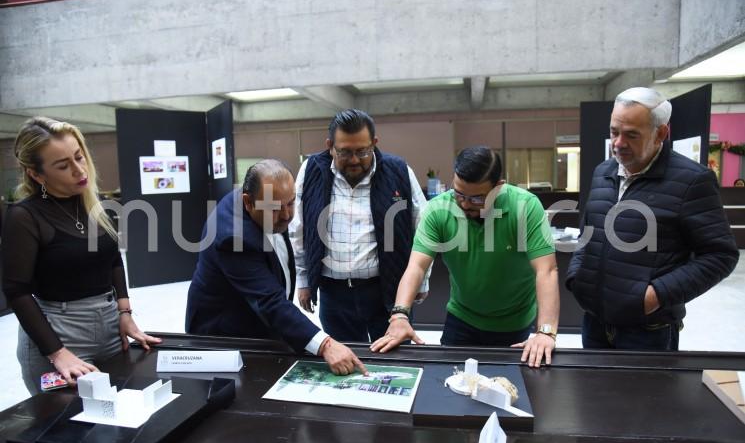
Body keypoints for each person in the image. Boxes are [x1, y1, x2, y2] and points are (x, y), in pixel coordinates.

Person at [566, 87, 739, 350]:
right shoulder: (603, 172)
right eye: (614, 132)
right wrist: (577, 276)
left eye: (631, 135)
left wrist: (655, 295)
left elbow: (720, 256)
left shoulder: (692, 181)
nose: (618, 143)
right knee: (592, 392)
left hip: (647, 331)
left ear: (661, 133)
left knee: (644, 394)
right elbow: (589, 232)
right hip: (594, 323)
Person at [2, 117, 161, 394]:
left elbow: (111, 258)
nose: (79, 170)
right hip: (58, 334)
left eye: (79, 157)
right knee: (65, 427)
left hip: (110, 327)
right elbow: (17, 291)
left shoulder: (92, 203)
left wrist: (124, 313)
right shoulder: (24, 216)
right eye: (63, 166)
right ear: (36, 174)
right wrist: (57, 352)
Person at [371, 146, 560, 368]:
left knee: (511, 390)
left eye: (477, 198)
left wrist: (546, 332)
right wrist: (400, 315)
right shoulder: (438, 210)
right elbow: (417, 267)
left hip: (515, 321)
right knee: (451, 385)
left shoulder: (525, 206)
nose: (465, 204)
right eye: (459, 194)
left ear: (498, 187)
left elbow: (546, 270)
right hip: (462, 319)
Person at [185, 159, 367, 376]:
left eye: (291, 203)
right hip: (224, 337)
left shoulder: (265, 201)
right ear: (248, 202)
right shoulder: (233, 238)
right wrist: (326, 345)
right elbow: (269, 301)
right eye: (275, 208)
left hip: (259, 323)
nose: (287, 215)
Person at [289, 109, 429, 342]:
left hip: (387, 289)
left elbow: (423, 227)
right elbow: (298, 228)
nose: (354, 160)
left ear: (374, 143)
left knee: (394, 362)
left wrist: (420, 280)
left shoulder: (398, 170)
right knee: (345, 362)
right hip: (333, 293)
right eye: (344, 152)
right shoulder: (312, 170)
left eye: (362, 151)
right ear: (330, 145)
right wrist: (304, 280)